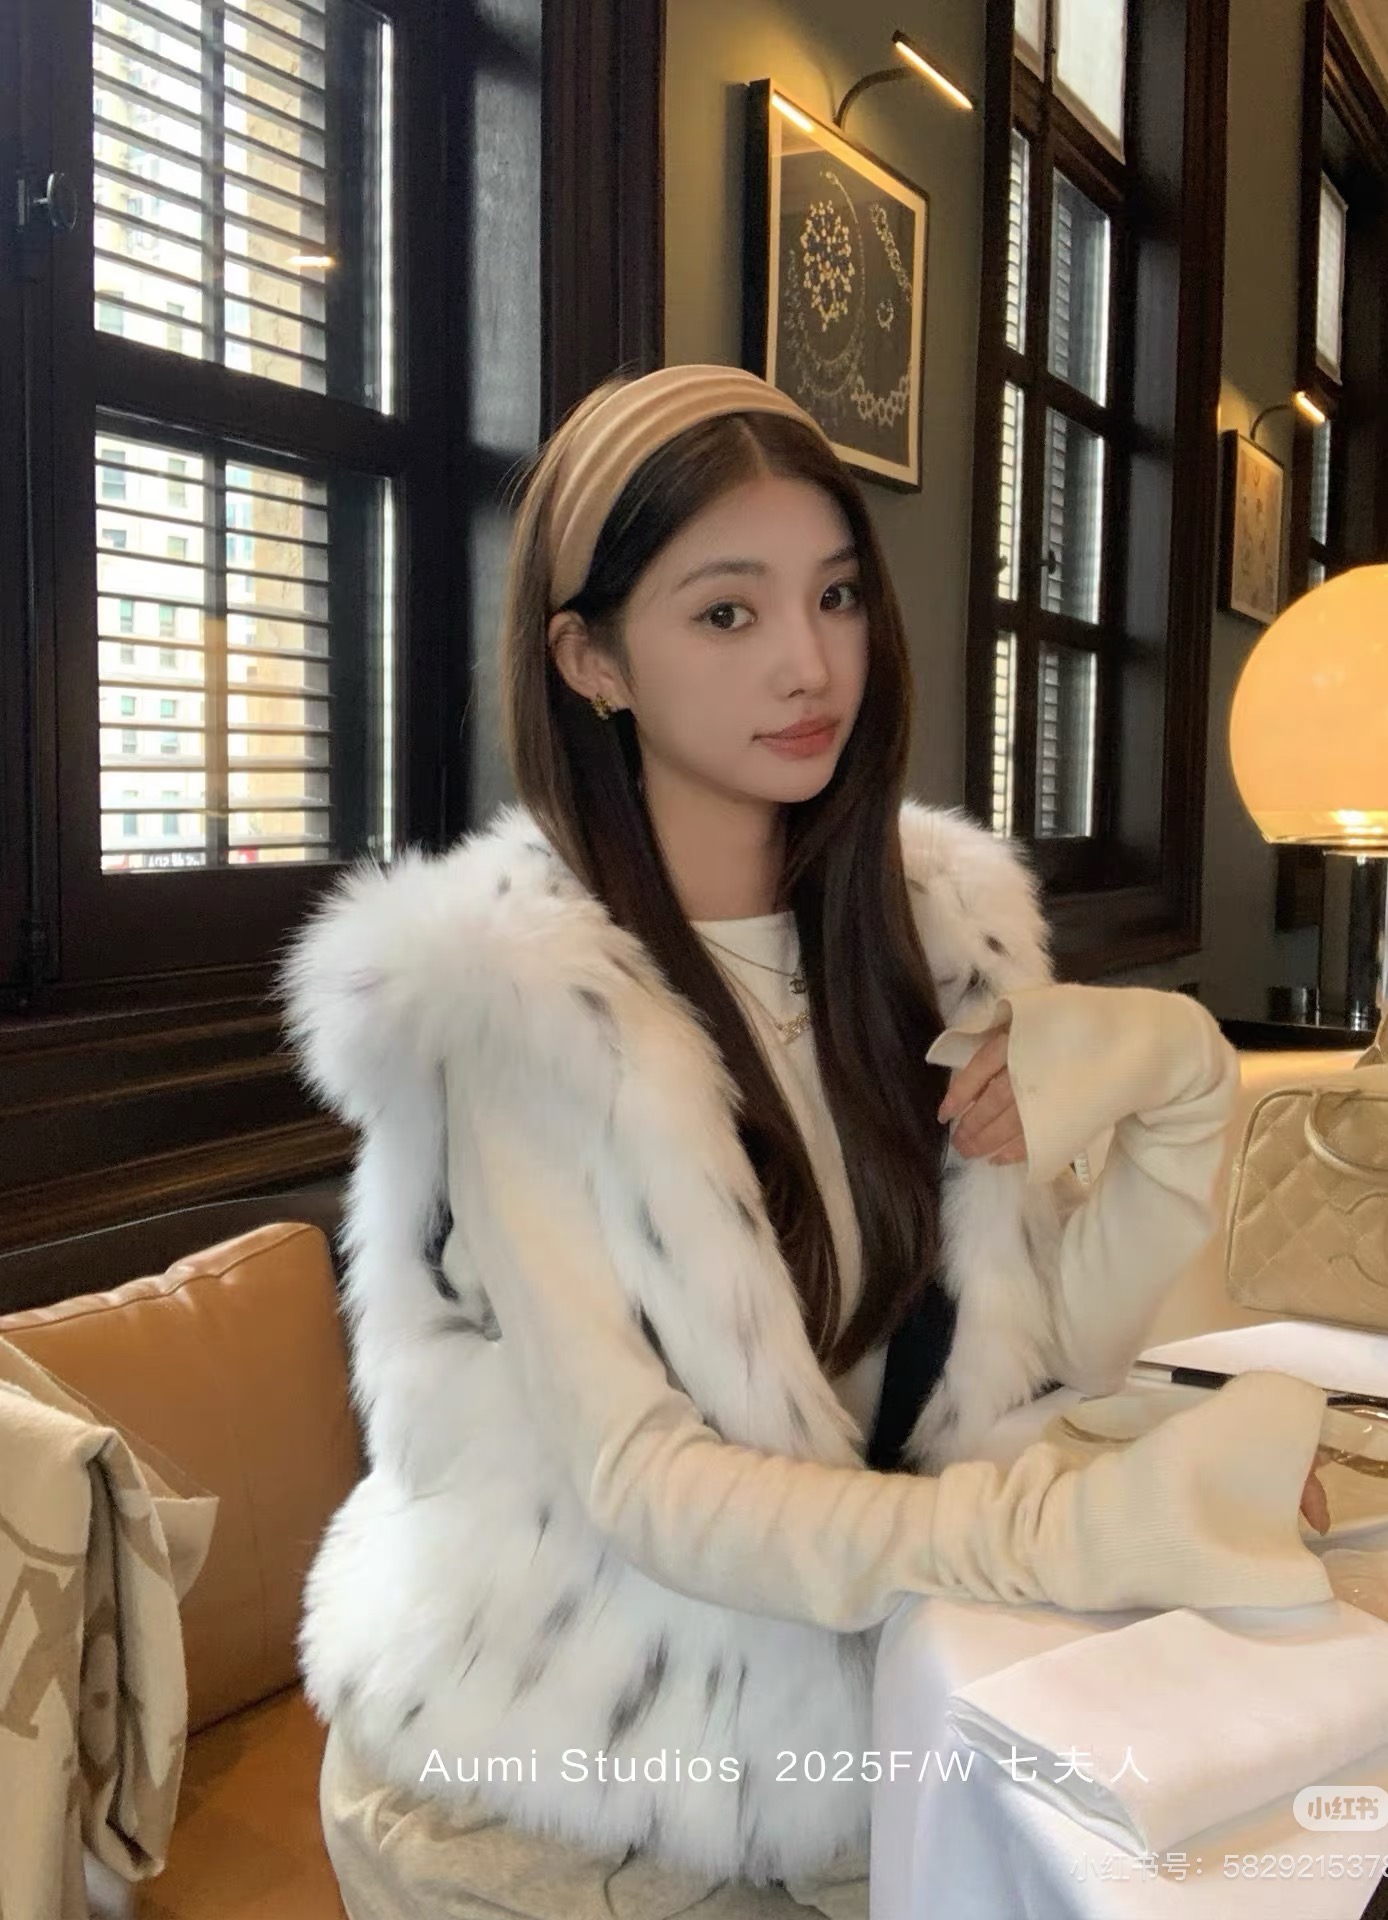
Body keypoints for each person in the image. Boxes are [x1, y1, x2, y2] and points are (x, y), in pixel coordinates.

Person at [279, 364, 1333, 1920]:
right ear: (590, 659)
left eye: (835, 595)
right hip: (581, 1765)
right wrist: (1080, 1533)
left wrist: (1176, 1080)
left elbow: (1026, 1360)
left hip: (859, 1692)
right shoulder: (522, 1001)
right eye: (727, 612)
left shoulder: (929, 928)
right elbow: (647, 1482)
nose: (808, 661)